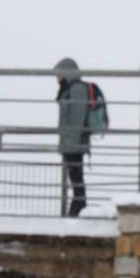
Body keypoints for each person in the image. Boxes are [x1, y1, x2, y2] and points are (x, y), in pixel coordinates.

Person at [54, 58, 92, 217]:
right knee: (76, 180)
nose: (56, 77)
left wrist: (70, 143)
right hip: (72, 143)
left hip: (74, 144)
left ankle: (77, 212)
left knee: (77, 181)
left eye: (58, 73)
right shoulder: (69, 88)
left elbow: (77, 117)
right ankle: (77, 211)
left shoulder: (76, 89)